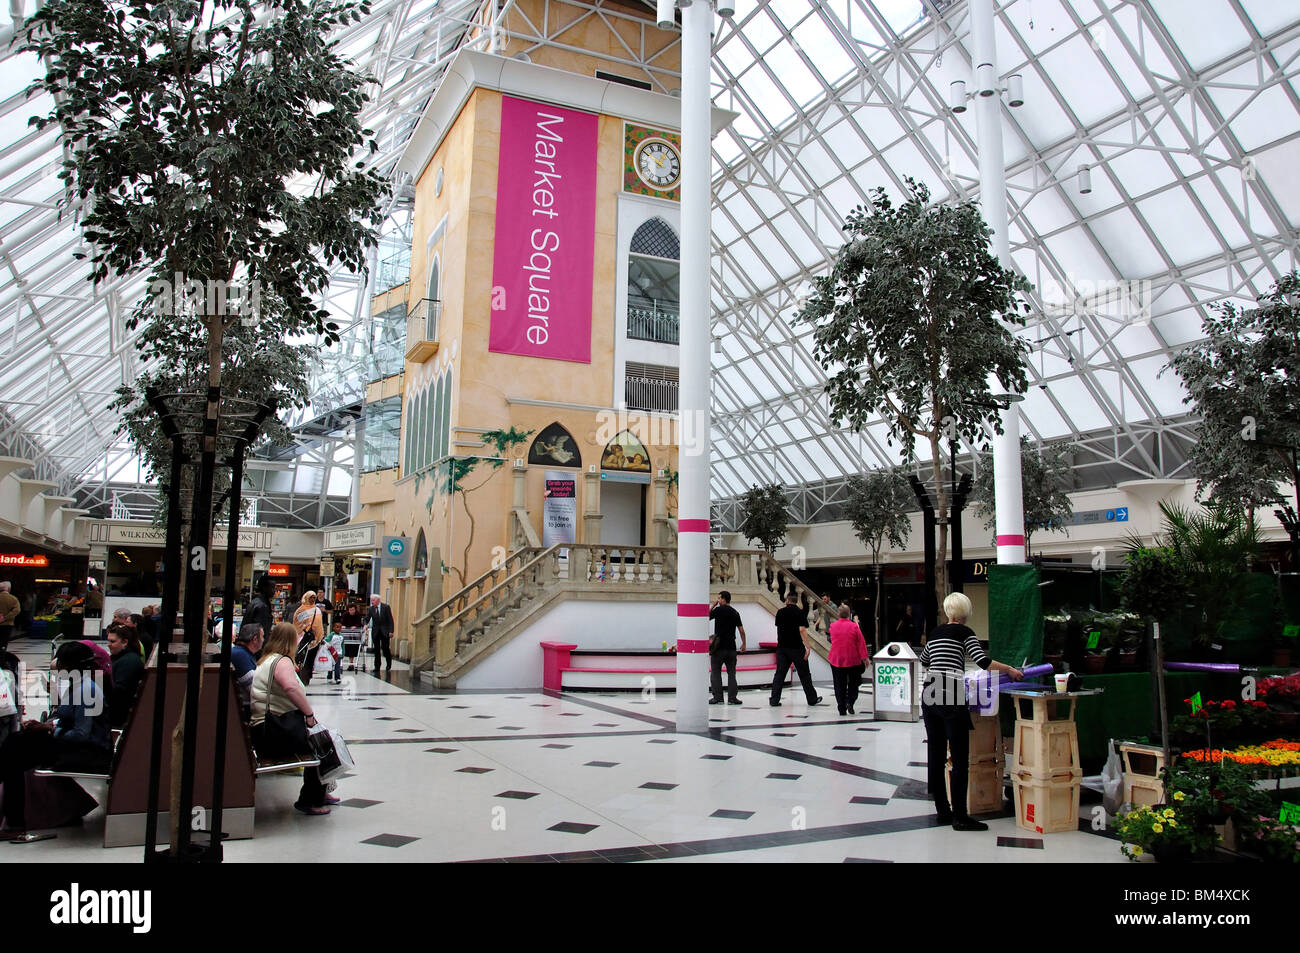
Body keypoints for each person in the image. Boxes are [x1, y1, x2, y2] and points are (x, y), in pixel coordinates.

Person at [919, 592, 1022, 832]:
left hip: (930, 692)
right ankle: (960, 816)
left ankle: (942, 810)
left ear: (947, 611)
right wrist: (1010, 669)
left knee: (936, 753)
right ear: (965, 612)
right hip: (952, 693)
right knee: (959, 757)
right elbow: (982, 662)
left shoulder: (935, 632)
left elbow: (925, 660)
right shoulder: (966, 633)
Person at [0, 641, 113, 840]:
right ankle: (13, 819)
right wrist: (47, 726)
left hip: (89, 752)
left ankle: (15, 823)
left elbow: (81, 734)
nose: (56, 665)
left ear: (68, 665)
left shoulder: (87, 691)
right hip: (78, 745)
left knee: (14, 753)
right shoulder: (79, 685)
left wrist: (51, 730)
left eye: (60, 661)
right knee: (14, 743)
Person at [249, 622, 335, 816]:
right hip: (273, 732)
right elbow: (291, 687)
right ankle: (311, 798)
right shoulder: (282, 661)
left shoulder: (267, 659)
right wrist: (309, 714)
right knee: (321, 745)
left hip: (263, 728)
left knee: (320, 741)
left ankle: (322, 790)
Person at [770, 590, 823, 707]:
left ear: (787, 600)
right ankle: (812, 698)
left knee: (780, 674)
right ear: (796, 601)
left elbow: (779, 627)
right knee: (804, 674)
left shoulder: (780, 612)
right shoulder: (800, 613)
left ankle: (774, 699)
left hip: (782, 647)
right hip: (797, 648)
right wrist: (808, 646)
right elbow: (802, 630)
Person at [828, 604, 869, 716]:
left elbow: (832, 639)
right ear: (849, 614)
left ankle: (841, 707)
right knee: (853, 683)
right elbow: (861, 642)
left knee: (839, 684)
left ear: (838, 614)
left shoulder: (832, 626)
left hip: (837, 659)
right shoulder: (854, 626)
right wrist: (865, 658)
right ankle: (850, 702)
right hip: (852, 659)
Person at [707, 591, 746, 705]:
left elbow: (706, 617)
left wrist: (713, 606)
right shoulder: (735, 612)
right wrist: (744, 643)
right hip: (731, 648)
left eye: (719, 598)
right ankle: (732, 698)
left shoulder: (718, 611)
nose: (718, 600)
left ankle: (718, 697)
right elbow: (741, 631)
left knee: (715, 672)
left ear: (724, 599)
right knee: (731, 673)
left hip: (718, 648)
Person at [106, 625, 145, 729]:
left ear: (125, 642)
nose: (108, 645)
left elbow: (119, 693)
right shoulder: (122, 658)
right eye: (108, 641)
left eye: (112, 641)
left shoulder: (128, 662)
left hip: (116, 719)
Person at [231, 623, 264, 723]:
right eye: (262, 637)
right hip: (245, 710)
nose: (263, 640)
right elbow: (254, 687)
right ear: (255, 639)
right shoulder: (240, 655)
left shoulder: (243, 653)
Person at [292, 592, 325, 686]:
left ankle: (308, 676)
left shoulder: (317, 610)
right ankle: (302, 677)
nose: (312, 599)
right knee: (302, 659)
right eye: (311, 597)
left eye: (314, 598)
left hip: (315, 639)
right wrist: (304, 629)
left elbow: (319, 625)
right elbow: (297, 623)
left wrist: (320, 636)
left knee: (311, 659)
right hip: (304, 638)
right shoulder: (301, 610)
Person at [366, 594, 394, 672]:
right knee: (376, 649)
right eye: (371, 600)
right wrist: (365, 624)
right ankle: (377, 666)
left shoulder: (386, 607)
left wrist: (391, 631)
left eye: (373, 600)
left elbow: (390, 620)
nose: (372, 602)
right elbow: (367, 618)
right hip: (376, 631)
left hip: (385, 631)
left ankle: (388, 664)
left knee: (385, 648)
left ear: (378, 600)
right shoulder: (371, 609)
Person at [0, 582, 20, 650]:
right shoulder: (13, 599)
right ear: (8, 589)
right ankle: (2, 657)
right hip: (7, 624)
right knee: (4, 643)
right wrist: (5, 618)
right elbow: (17, 610)